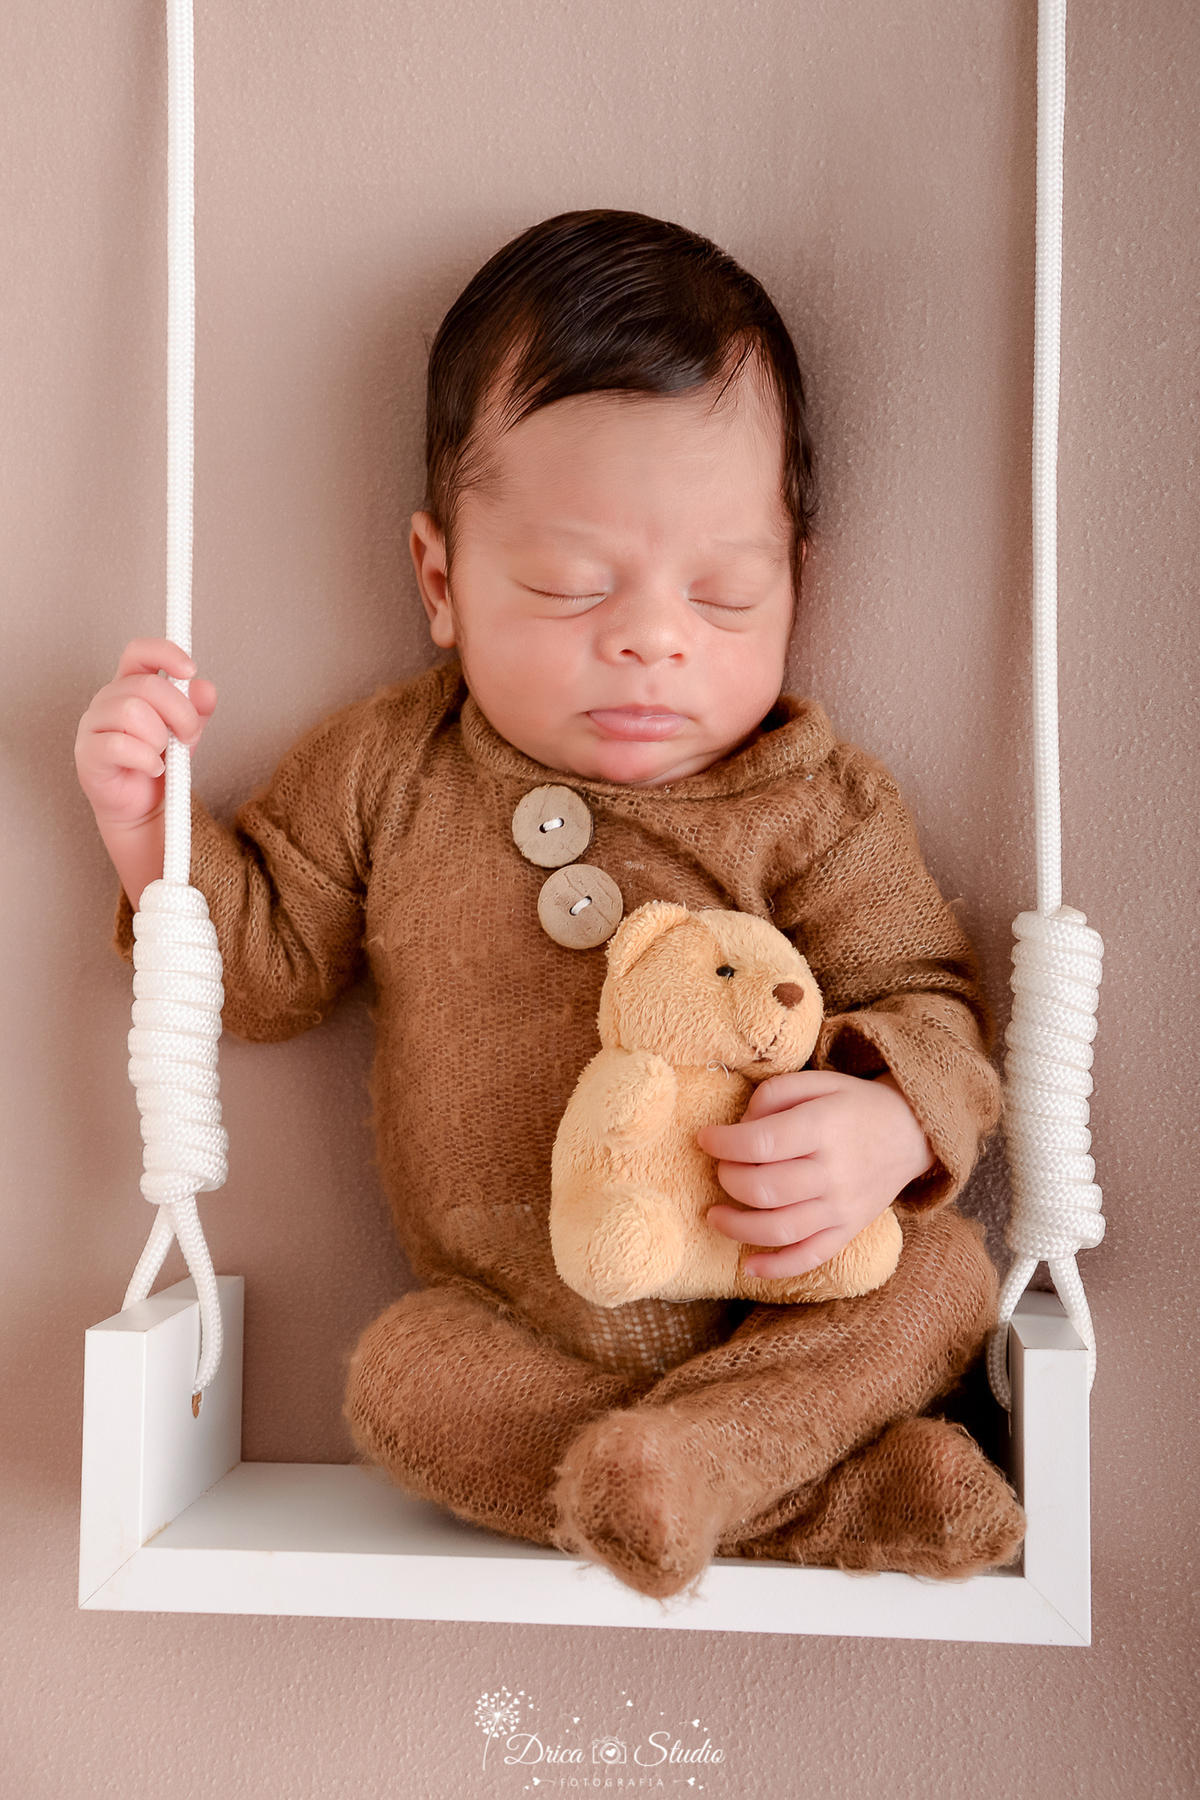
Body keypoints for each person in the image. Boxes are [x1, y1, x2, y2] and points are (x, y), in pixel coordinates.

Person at [74, 210, 1025, 1599]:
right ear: (441, 581)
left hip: (778, 1295)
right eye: (570, 587)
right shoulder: (390, 769)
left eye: (724, 592)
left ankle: (713, 1460)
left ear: (797, 584)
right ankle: (799, 1498)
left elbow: (930, 999)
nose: (650, 637)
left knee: (940, 1278)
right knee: (404, 1384)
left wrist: (889, 1124)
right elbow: (263, 972)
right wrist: (145, 823)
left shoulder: (816, 805)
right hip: (520, 1327)